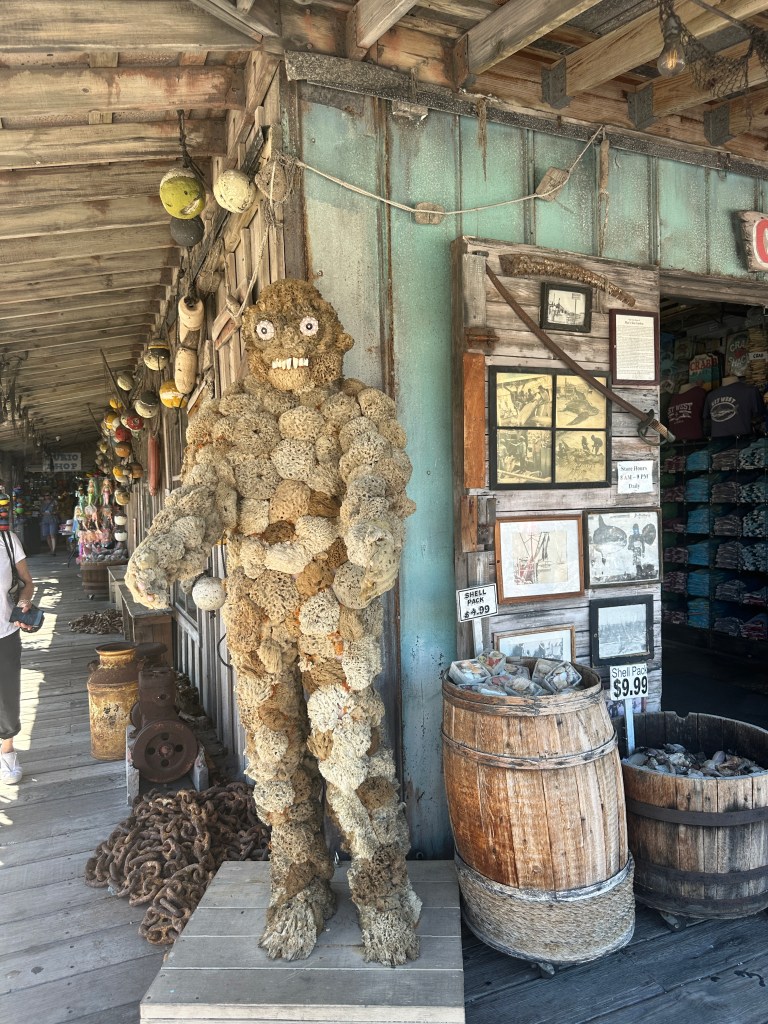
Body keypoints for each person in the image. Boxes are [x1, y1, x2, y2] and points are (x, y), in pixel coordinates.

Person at [0, 527, 36, 784]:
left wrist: (24, 604)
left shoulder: (7, 540)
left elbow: (27, 582)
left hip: (4, 631)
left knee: (7, 697)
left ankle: (7, 751)